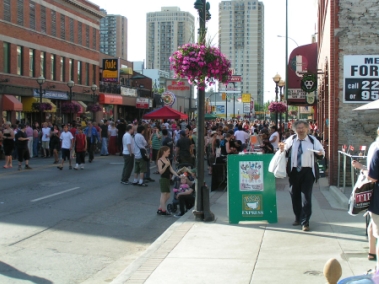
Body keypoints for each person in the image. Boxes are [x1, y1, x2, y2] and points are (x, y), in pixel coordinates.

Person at [278, 120, 324, 232]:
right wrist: (281, 148)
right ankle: (298, 217)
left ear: (307, 128)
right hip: (294, 171)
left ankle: (305, 222)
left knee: (306, 197)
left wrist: (320, 153)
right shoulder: (292, 139)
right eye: (298, 128)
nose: (301, 130)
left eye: (303, 127)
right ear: (294, 129)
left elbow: (322, 152)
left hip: (308, 172)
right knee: (294, 195)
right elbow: (283, 149)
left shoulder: (313, 140)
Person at [352, 126, 379, 262]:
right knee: (372, 225)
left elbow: (373, 176)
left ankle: (375, 261)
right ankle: (372, 252)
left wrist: (362, 169)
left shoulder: (377, 149)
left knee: (376, 228)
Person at [157, 146, 179, 216]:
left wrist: (177, 175)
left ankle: (160, 208)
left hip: (167, 179)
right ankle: (163, 210)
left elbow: (171, 169)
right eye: (168, 152)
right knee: (164, 195)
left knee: (168, 195)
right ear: (164, 152)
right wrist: (166, 165)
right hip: (163, 178)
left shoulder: (167, 159)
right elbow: (160, 171)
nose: (169, 153)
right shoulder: (159, 160)